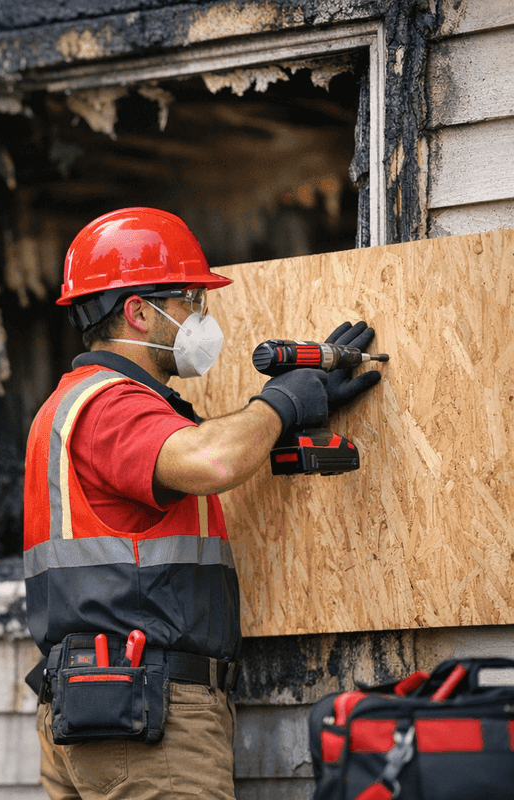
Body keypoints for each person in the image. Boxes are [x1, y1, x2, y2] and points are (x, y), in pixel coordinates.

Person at [23, 207, 382, 799]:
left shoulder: (74, 403)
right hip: (144, 717)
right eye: (190, 299)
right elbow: (213, 461)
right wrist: (280, 403)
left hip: (103, 705)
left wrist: (283, 421)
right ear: (139, 312)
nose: (202, 316)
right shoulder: (112, 406)